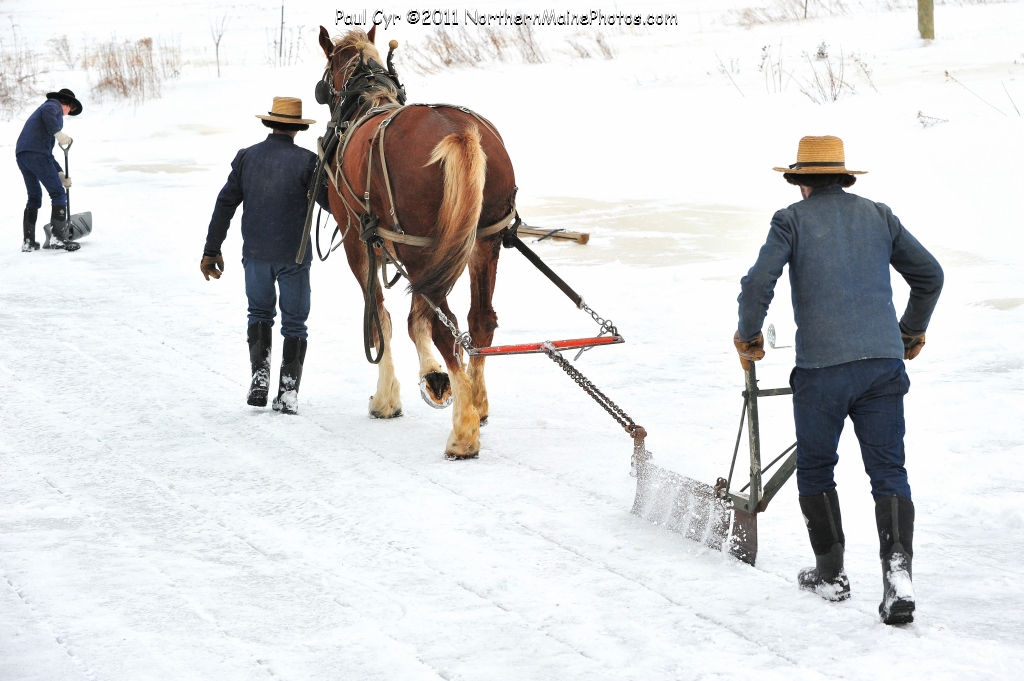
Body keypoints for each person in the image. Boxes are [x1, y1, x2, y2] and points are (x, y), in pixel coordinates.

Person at [733, 136, 943, 625]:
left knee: (816, 467)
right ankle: (898, 579)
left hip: (821, 373)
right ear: (844, 177)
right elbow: (929, 276)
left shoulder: (791, 220)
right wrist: (909, 331)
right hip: (882, 367)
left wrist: (749, 337)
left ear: (801, 181)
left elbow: (758, 283)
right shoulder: (879, 215)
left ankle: (831, 575)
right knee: (889, 472)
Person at [201, 96, 329, 414]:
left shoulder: (247, 157)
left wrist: (211, 249)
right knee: (295, 324)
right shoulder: (308, 162)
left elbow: (225, 204)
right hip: (294, 256)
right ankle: (287, 393)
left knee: (259, 315)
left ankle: (259, 380)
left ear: (270, 123)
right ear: (296, 128)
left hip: (256, 254)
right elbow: (330, 204)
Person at [16, 88, 82, 252]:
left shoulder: (44, 119)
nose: (66, 114)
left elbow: (47, 154)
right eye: (69, 110)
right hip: (36, 154)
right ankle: (58, 239)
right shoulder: (53, 105)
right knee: (58, 194)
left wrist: (60, 174)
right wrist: (58, 132)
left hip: (23, 155)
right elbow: (47, 111)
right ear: (67, 104)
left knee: (34, 197)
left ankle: (28, 242)